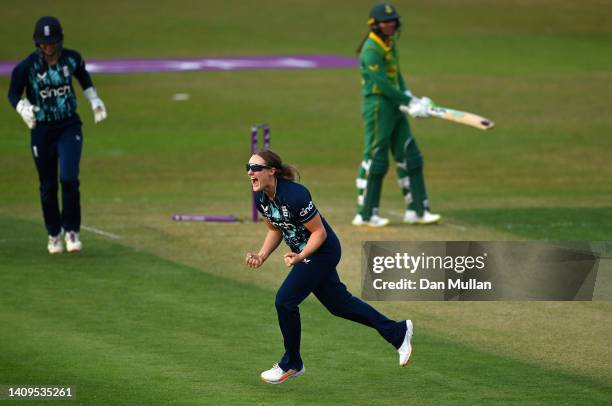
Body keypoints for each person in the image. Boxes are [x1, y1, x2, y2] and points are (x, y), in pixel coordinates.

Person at [245, 150, 413, 384]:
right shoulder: (260, 197)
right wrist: (262, 255)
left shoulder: (295, 195)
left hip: (322, 250)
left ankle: (292, 362)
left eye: (255, 168)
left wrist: (300, 256)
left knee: (285, 300)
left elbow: (319, 232)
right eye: (248, 168)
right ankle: (398, 332)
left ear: (272, 170)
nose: (250, 172)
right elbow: (275, 229)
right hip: (305, 254)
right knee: (340, 305)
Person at [7, 16, 107, 254]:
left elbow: (83, 78)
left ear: (60, 40)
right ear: (37, 43)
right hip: (41, 130)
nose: (49, 48)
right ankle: (54, 234)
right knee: (48, 185)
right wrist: (23, 108)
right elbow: (12, 93)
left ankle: (72, 230)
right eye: (44, 43)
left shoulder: (72, 58)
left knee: (69, 178)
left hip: (69, 126)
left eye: (52, 42)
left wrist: (94, 100)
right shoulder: (26, 67)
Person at [352, 3, 441, 227]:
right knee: (377, 157)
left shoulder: (389, 44)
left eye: (392, 21)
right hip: (378, 105)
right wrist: (408, 101)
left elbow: (396, 76)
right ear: (375, 24)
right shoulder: (371, 49)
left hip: (394, 102)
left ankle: (418, 210)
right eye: (385, 21)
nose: (390, 24)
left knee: (410, 155)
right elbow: (380, 83)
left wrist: (410, 97)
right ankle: (365, 214)